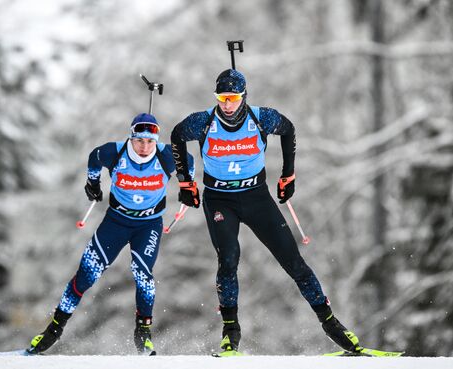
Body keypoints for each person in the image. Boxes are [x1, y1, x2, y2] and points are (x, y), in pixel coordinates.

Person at [170, 69, 360, 355]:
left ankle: (332, 324)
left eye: (233, 98)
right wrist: (185, 182)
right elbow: (176, 135)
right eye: (222, 98)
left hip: (256, 198)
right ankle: (230, 333)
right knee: (229, 259)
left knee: (293, 261)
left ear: (244, 96)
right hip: (220, 200)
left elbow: (289, 129)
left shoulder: (261, 118)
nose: (227, 104)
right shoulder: (203, 122)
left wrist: (288, 176)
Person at [28, 113, 194, 355]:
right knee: (86, 275)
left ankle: (143, 333)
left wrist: (186, 185)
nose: (145, 147)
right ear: (131, 137)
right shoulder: (113, 152)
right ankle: (54, 328)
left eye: (150, 141)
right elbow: (94, 158)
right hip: (116, 222)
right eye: (139, 141)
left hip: (148, 225)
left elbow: (188, 161)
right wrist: (93, 183)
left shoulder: (167, 155)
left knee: (143, 274)